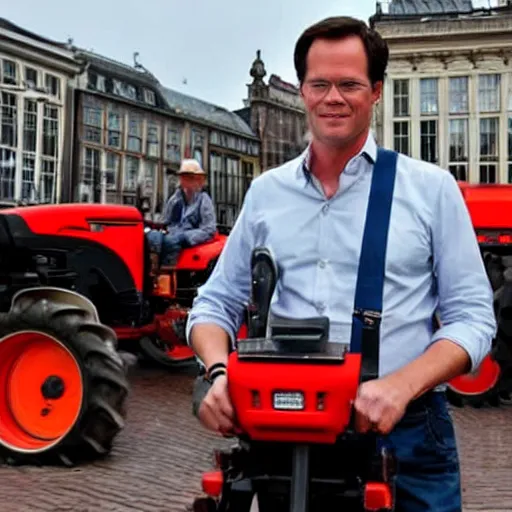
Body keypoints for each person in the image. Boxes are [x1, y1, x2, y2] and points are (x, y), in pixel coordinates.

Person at [186, 16, 496, 511]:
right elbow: (213, 305)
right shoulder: (267, 192)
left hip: (404, 432)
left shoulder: (431, 189)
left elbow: (474, 317)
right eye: (320, 84)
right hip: (285, 430)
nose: (334, 97)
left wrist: (401, 385)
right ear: (303, 91)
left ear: (375, 91)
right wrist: (217, 372)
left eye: (350, 84)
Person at [146, 159, 216, 266]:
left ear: (198, 180)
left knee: (171, 241)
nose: (186, 181)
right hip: (173, 232)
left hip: (190, 235)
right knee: (153, 237)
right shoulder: (175, 198)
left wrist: (185, 236)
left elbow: (209, 229)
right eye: (184, 177)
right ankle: (152, 270)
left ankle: (168, 273)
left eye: (190, 178)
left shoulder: (203, 199)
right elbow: (165, 221)